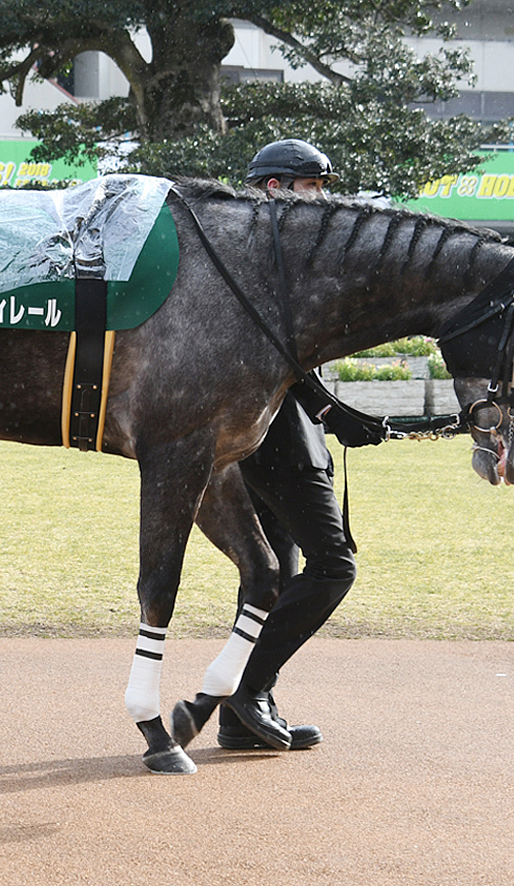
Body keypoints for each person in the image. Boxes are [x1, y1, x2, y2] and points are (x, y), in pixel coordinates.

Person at [172, 138, 386, 752]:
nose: (320, 197)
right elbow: (282, 357)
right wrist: (334, 411)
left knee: (275, 572)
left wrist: (334, 412)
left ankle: (240, 720)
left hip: (275, 439)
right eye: (309, 186)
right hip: (281, 443)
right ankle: (250, 687)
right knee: (332, 565)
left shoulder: (266, 256)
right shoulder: (265, 258)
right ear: (273, 189)